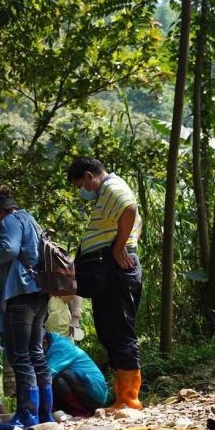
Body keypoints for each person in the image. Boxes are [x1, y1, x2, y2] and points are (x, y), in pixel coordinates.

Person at [66, 157, 143, 410]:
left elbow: (129, 208)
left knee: (119, 330)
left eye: (80, 186)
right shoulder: (106, 193)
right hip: (108, 272)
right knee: (110, 330)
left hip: (116, 271)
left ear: (89, 176)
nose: (82, 192)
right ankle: (123, 395)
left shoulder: (112, 186)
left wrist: (120, 246)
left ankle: (129, 399)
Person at [0, 186, 52, 430]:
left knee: (20, 356)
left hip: (19, 294)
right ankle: (45, 415)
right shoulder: (31, 220)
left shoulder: (10, 221)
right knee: (36, 354)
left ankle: (28, 416)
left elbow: (8, 249)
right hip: (39, 294)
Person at [43, 331, 108, 417]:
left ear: (44, 341)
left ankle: (80, 411)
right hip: (83, 389)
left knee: (55, 378)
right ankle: (65, 411)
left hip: (94, 395)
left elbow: (46, 375)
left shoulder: (61, 347)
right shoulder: (52, 346)